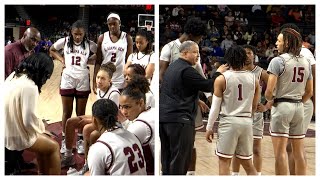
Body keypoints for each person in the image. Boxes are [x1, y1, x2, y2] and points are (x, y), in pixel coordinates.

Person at [159, 41, 227, 175]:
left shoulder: (172, 67)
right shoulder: (186, 70)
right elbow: (208, 85)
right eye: (195, 52)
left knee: (167, 159)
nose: (198, 56)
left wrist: (196, 100)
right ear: (184, 53)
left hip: (164, 119)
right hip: (179, 120)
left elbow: (176, 91)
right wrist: (218, 73)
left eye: (198, 52)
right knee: (179, 161)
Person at [265, 27, 313, 175]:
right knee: (299, 152)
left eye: (279, 41)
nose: (276, 43)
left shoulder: (277, 61)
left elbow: (268, 91)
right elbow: (309, 91)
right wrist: (299, 102)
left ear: (286, 43)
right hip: (299, 107)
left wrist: (270, 100)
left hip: (282, 106)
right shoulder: (306, 61)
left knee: (280, 153)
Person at [205, 45, 259, 175]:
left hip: (229, 122)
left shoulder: (221, 78)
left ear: (228, 59)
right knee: (248, 164)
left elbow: (215, 107)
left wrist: (209, 127)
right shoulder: (254, 78)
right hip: (246, 122)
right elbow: (254, 106)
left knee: (224, 162)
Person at [4, 53, 61, 175]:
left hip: (5, 128)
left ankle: (42, 173)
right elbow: (28, 121)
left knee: (43, 140)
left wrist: (39, 127)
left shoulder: (14, 75)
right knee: (54, 146)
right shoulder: (30, 86)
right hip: (15, 135)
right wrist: (41, 127)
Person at [49, 20, 97, 156]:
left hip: (82, 79)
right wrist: (61, 59)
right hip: (67, 79)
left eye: (80, 34)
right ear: (71, 32)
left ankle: (80, 140)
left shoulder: (89, 44)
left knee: (80, 112)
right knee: (66, 112)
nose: (78, 37)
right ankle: (65, 139)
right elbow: (52, 50)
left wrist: (90, 60)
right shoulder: (63, 41)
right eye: (75, 34)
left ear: (84, 34)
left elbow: (100, 53)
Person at [60, 62, 119, 171]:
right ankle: (68, 156)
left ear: (110, 80)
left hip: (108, 124)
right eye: (97, 77)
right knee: (70, 121)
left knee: (87, 129)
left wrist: (90, 120)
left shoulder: (114, 93)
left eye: (103, 79)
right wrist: (89, 118)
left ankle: (88, 163)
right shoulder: (100, 89)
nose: (99, 81)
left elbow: (112, 117)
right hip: (98, 118)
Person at [279, 23, 316, 175]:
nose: (278, 42)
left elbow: (313, 78)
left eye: (281, 39)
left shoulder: (305, 53)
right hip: (296, 102)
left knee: (296, 146)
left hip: (302, 101)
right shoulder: (289, 56)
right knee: (291, 146)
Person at [4, 27, 41, 174]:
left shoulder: (28, 52)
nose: (35, 43)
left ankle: (17, 161)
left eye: (37, 41)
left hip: (18, 96)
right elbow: (5, 79)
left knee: (21, 130)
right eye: (33, 39)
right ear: (24, 35)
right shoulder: (9, 51)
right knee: (12, 132)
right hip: (8, 96)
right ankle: (9, 167)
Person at [231, 45, 272, 175]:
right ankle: (234, 175)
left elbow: (275, 93)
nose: (247, 55)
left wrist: (266, 106)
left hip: (255, 116)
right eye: (244, 53)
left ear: (254, 55)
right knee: (236, 149)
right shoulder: (235, 71)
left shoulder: (262, 73)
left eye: (249, 53)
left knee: (256, 149)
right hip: (238, 115)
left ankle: (257, 175)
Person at [87, 99, 147, 175]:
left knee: (86, 174)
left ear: (94, 120)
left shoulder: (99, 147)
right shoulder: (132, 135)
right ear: (117, 116)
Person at [119, 75, 155, 175]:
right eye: (121, 107)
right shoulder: (152, 111)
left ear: (140, 103)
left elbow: (118, 149)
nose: (123, 112)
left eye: (127, 107)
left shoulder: (139, 125)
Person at [93, 12, 133, 92]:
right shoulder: (102, 38)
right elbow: (98, 61)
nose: (112, 26)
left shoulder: (127, 38)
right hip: (105, 77)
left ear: (120, 23)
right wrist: (94, 80)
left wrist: (129, 80)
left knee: (119, 103)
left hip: (120, 78)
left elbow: (129, 61)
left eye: (114, 24)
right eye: (109, 24)